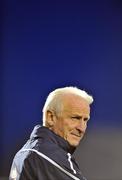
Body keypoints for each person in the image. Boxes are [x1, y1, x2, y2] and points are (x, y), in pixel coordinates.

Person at [9, 86, 93, 180]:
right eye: (75, 118)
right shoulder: (47, 156)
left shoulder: (27, 152)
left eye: (85, 120)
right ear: (51, 117)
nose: (81, 128)